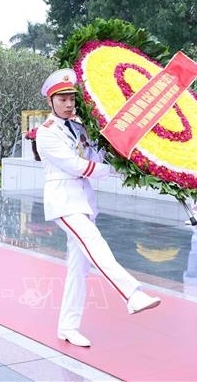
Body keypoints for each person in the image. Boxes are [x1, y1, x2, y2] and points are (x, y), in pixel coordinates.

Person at [36, 68, 161, 348]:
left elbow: (92, 154)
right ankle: (132, 293)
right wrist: (107, 171)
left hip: (84, 201)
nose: (69, 104)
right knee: (94, 243)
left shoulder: (79, 127)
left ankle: (68, 326)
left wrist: (113, 145)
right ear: (50, 101)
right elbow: (76, 165)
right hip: (64, 201)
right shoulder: (46, 133)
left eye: (71, 98)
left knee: (78, 268)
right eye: (62, 99)